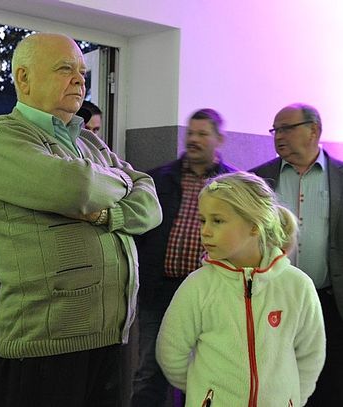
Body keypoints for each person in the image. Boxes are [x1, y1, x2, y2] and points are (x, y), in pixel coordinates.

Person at [0, 32, 162, 407]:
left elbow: (151, 203)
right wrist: (124, 181)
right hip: (47, 345)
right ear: (23, 77)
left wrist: (110, 213)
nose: (79, 80)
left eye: (82, 72)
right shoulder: (4, 136)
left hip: (111, 339)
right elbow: (77, 187)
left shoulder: (88, 141)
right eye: (65, 69)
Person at [156, 171, 325, 406]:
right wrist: (204, 392)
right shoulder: (197, 286)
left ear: (254, 226)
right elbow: (171, 352)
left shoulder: (297, 286)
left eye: (217, 221)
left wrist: (293, 399)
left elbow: (311, 355)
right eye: (203, 220)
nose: (205, 231)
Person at [131, 108, 236, 407]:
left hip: (210, 294)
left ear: (219, 139)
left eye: (202, 134)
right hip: (160, 291)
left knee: (205, 369)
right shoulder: (159, 179)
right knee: (150, 369)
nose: (193, 139)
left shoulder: (234, 184)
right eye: (190, 132)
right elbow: (140, 231)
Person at [250, 103, 343, 405]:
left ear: (314, 130)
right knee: (278, 380)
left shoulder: (340, 177)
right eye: (275, 130)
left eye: (287, 128)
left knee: (330, 382)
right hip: (276, 300)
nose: (279, 136)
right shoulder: (258, 179)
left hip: (330, 301)